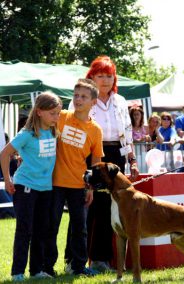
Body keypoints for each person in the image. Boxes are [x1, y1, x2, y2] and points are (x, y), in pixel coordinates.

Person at [78, 56, 139, 272]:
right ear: (91, 77)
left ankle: (102, 259)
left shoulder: (121, 101)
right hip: (91, 154)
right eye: (100, 75)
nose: (105, 80)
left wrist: (131, 160)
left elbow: (128, 134)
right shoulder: (82, 98)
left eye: (109, 75)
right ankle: (77, 260)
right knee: (88, 207)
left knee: (112, 209)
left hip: (116, 154)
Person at [0, 92, 62, 281]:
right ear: (39, 112)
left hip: (46, 189)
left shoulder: (53, 130)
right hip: (25, 186)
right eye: (53, 113)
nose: (56, 117)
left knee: (41, 230)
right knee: (24, 230)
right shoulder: (26, 134)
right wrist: (8, 180)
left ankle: (36, 270)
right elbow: (4, 154)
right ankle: (17, 272)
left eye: (58, 113)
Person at [45, 79, 103, 277]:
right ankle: (46, 267)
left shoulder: (96, 130)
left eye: (84, 97)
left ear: (93, 102)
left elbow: (95, 164)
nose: (78, 99)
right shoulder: (60, 116)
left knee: (80, 228)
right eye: (76, 95)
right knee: (51, 226)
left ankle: (77, 266)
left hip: (79, 185)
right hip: (54, 183)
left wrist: (91, 188)